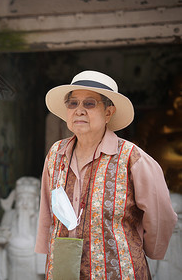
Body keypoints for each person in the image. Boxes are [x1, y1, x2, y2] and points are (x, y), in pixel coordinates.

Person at [35, 70, 177, 279]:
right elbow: (46, 209)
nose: (79, 110)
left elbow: (162, 215)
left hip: (118, 271)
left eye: (89, 103)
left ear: (109, 112)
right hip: (63, 270)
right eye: (72, 103)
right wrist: (44, 249)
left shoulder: (132, 158)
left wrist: (141, 249)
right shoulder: (56, 153)